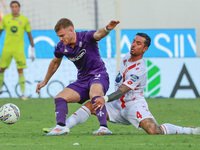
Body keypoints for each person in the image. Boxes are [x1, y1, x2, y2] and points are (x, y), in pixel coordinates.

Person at [43, 33, 200, 135]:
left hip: (134, 105)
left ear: (144, 49)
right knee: (91, 104)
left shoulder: (140, 69)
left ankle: (188, 130)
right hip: (117, 105)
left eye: (138, 43)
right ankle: (62, 128)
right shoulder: (126, 57)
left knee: (155, 131)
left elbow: (123, 90)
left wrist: (105, 98)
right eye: (133, 41)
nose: (133, 45)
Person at [36, 18, 120, 136]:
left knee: (94, 94)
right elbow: (55, 62)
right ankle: (61, 127)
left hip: (98, 75)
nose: (60, 39)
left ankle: (103, 128)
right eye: (58, 36)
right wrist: (45, 81)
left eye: (62, 35)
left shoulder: (86, 37)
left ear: (71, 30)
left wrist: (107, 29)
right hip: (83, 80)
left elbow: (99, 34)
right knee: (60, 98)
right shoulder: (61, 46)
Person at [0, 1, 35, 100]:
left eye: (16, 6)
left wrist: (32, 49)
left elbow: (29, 35)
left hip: (19, 50)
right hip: (7, 49)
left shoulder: (24, 20)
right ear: (10, 8)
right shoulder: (6, 19)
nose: (14, 8)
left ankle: (23, 93)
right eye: (12, 7)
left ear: (19, 8)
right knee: (1, 69)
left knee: (20, 70)